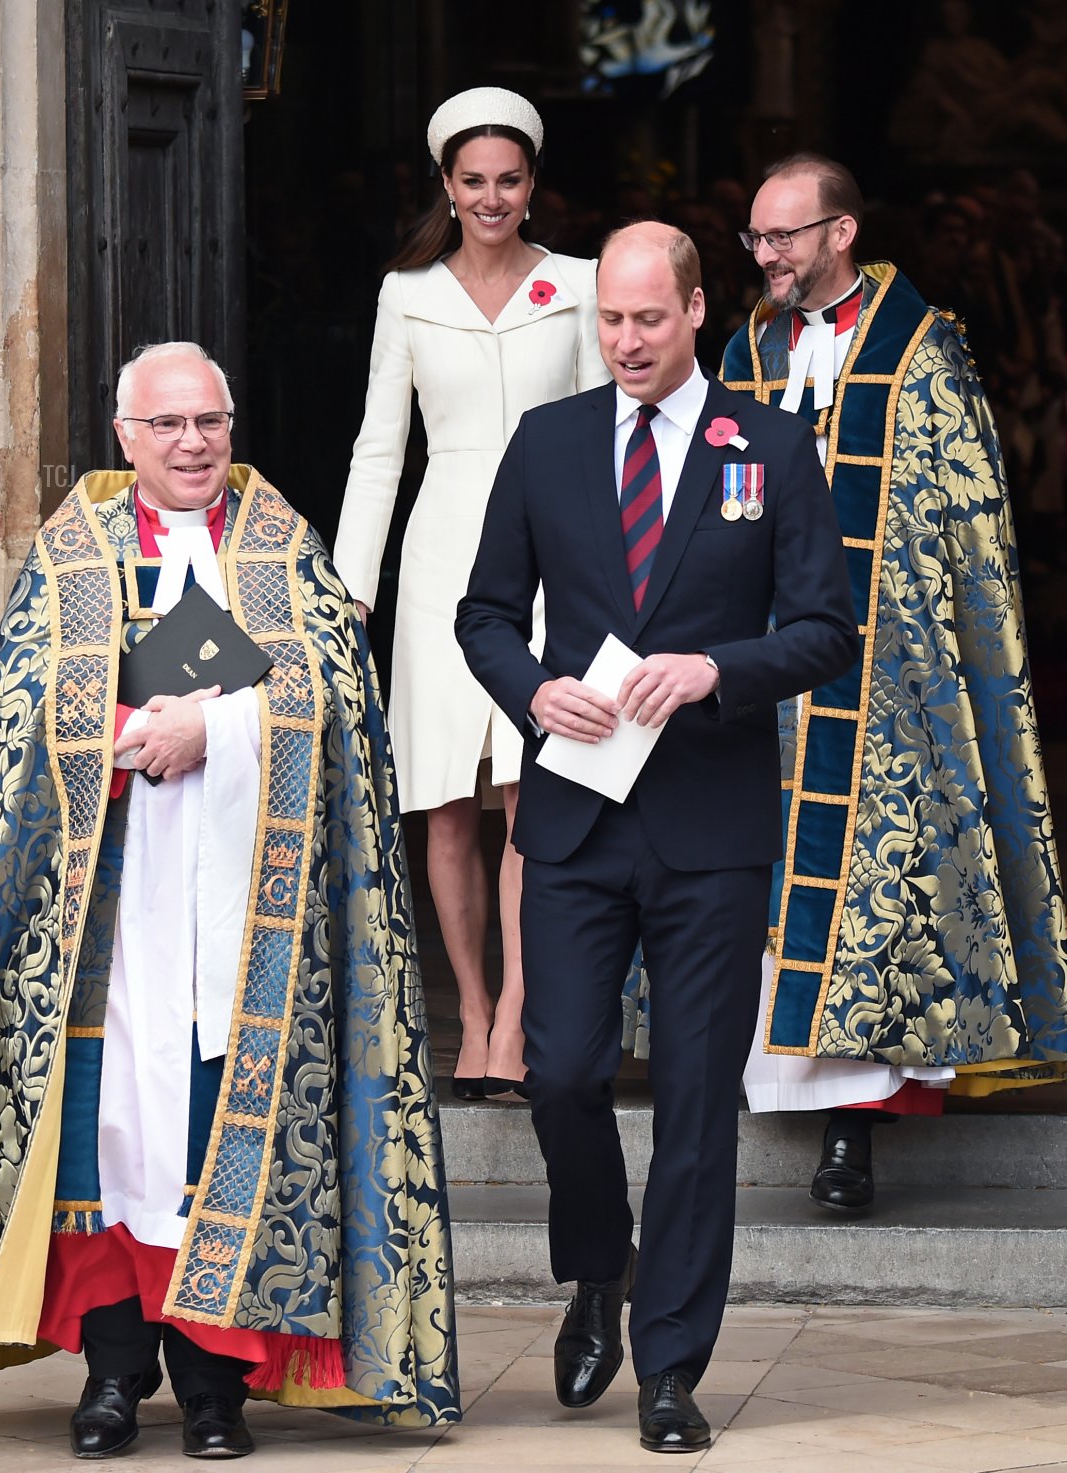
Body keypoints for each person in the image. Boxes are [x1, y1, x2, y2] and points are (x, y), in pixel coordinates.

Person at [0, 342, 460, 1458]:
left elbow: (340, 703)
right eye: (170, 426)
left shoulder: (285, 550)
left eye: (211, 423)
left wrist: (217, 729)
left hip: (251, 911)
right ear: (125, 437)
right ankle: (111, 1375)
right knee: (105, 1140)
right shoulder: (73, 557)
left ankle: (214, 1389)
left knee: (215, 1136)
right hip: (109, 913)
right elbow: (11, 712)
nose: (194, 445)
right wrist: (119, 732)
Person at [455, 222, 857, 1454]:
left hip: (712, 828)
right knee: (564, 1070)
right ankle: (599, 1270)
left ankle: (672, 1366)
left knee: (693, 1103)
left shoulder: (771, 447)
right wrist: (532, 690)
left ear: (694, 311)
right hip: (574, 816)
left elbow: (825, 631)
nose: (624, 341)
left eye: (646, 319)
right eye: (609, 322)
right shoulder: (551, 442)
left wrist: (713, 671)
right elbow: (482, 615)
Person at [722, 153, 1067, 1214]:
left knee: (874, 898)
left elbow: (965, 528)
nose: (767, 256)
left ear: (841, 233)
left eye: (783, 237)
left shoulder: (923, 352)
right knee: (763, 886)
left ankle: (851, 1138)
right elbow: (724, 491)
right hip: (762, 671)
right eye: (755, 240)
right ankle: (765, 1093)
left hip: (883, 674)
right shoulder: (744, 348)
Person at [333, 87, 610, 1101]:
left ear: (532, 186)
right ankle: (475, 1008)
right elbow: (376, 451)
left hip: (558, 557)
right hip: (445, 551)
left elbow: (605, 434)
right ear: (446, 186)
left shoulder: (580, 286)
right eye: (473, 180)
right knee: (445, 802)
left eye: (509, 179)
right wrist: (351, 592)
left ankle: (525, 1017)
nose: (491, 197)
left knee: (532, 794)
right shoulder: (407, 294)